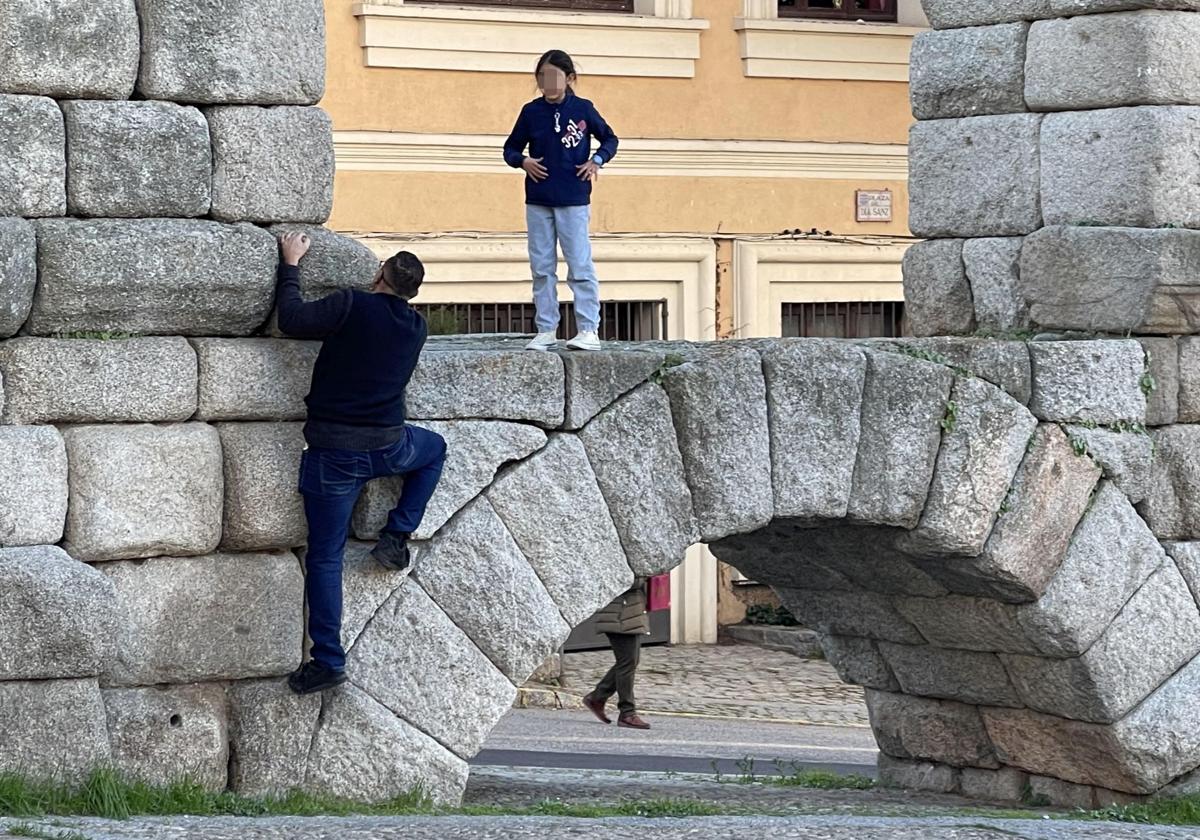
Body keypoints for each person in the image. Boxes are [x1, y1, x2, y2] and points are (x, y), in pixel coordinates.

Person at [276, 232, 448, 696]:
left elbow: (291, 320)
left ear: (378, 276)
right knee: (434, 450)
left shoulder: (351, 304)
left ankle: (328, 661)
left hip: (334, 453)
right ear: (412, 293)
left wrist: (290, 264)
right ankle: (397, 534)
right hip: (389, 446)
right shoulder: (415, 327)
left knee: (326, 557)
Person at [503, 49, 619, 353]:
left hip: (573, 198)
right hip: (538, 199)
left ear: (569, 79)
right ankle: (546, 329)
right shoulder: (531, 112)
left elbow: (610, 139)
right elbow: (510, 148)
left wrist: (596, 160)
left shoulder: (583, 109)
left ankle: (588, 329)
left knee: (579, 264)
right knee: (542, 266)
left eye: (554, 77)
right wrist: (523, 161)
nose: (548, 84)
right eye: (542, 77)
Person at [583, 582, 652, 730]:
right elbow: (626, 580)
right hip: (620, 613)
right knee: (627, 663)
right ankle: (627, 713)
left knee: (628, 662)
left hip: (628, 611)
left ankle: (598, 697)